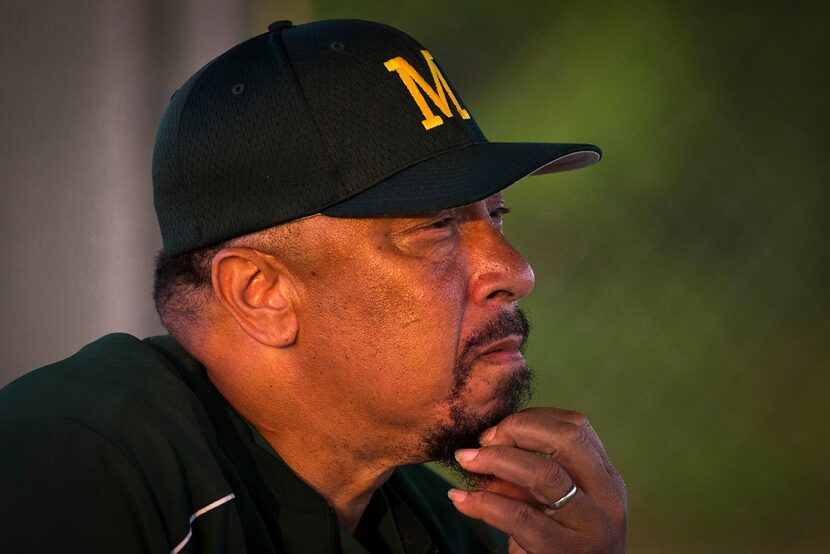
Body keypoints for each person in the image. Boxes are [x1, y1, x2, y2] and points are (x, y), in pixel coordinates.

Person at [0, 18, 626, 553]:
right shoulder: (71, 470)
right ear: (260, 293)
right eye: (437, 228)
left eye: (496, 216)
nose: (516, 272)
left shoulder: (459, 527)